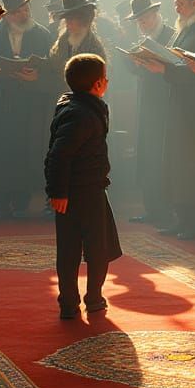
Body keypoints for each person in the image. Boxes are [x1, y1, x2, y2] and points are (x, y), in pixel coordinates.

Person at [45, 52, 122, 319]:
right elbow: (58, 155)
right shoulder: (81, 115)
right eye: (105, 77)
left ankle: (85, 299)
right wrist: (57, 191)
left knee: (84, 248)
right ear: (98, 84)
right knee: (87, 250)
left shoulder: (81, 106)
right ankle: (77, 299)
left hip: (88, 188)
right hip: (82, 191)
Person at [147, 0, 195, 239]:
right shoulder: (184, 27)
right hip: (179, 104)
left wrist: (165, 69)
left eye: (180, 1)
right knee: (178, 164)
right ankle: (183, 217)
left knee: (192, 166)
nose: (175, 6)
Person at [0, 0, 53, 218]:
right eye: (17, 12)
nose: (24, 15)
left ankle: (22, 201)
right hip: (0, 103)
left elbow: (51, 66)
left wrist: (36, 76)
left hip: (29, 103)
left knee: (25, 150)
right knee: (0, 151)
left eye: (26, 9)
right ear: (6, 15)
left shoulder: (42, 34)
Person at [125, 0, 175, 226]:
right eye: (139, 21)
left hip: (166, 103)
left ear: (155, 15)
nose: (142, 24)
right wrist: (135, 63)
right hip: (146, 102)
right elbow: (135, 70)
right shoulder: (141, 38)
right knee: (146, 155)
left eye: (145, 19)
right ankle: (151, 208)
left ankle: (165, 210)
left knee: (162, 157)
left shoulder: (171, 34)